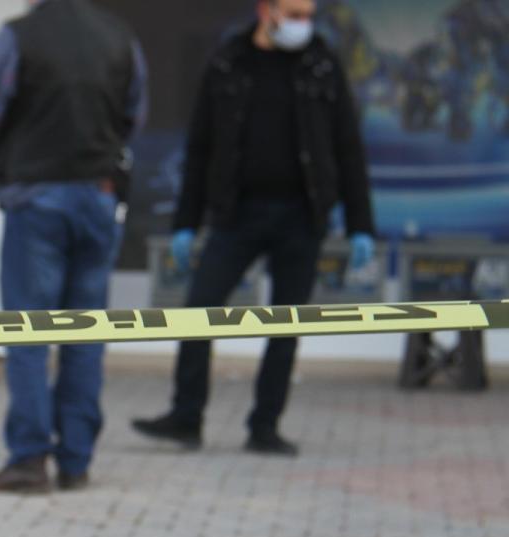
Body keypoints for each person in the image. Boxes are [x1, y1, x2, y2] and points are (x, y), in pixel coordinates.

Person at [132, 0, 375, 457]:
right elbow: (200, 147)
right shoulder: (228, 63)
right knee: (197, 312)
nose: (304, 24)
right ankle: (186, 416)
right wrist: (186, 223)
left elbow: (347, 147)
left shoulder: (322, 66)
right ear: (267, 11)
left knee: (286, 326)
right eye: (295, 14)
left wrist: (361, 224)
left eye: (308, 15)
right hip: (236, 215)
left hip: (301, 217)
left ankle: (265, 425)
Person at [0, 0, 148, 494]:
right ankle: (75, 460)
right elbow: (134, 117)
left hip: (37, 200)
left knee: (28, 332)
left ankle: (29, 459)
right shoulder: (119, 37)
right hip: (99, 197)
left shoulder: (19, 36)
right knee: (85, 335)